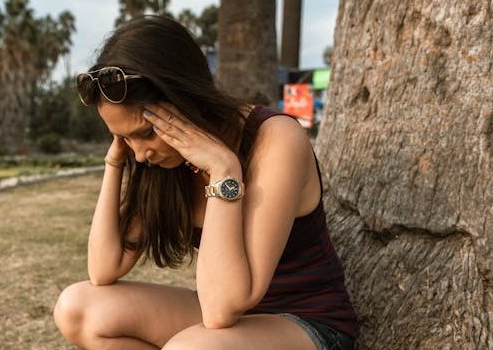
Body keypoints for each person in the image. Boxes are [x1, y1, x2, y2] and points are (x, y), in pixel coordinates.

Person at [53, 15, 358, 350]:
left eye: (145, 133)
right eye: (123, 137)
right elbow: (103, 269)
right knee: (77, 309)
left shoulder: (276, 138)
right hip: (230, 322)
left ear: (186, 99)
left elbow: (221, 309)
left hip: (306, 323)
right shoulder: (158, 161)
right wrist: (114, 162)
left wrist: (224, 170)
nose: (139, 154)